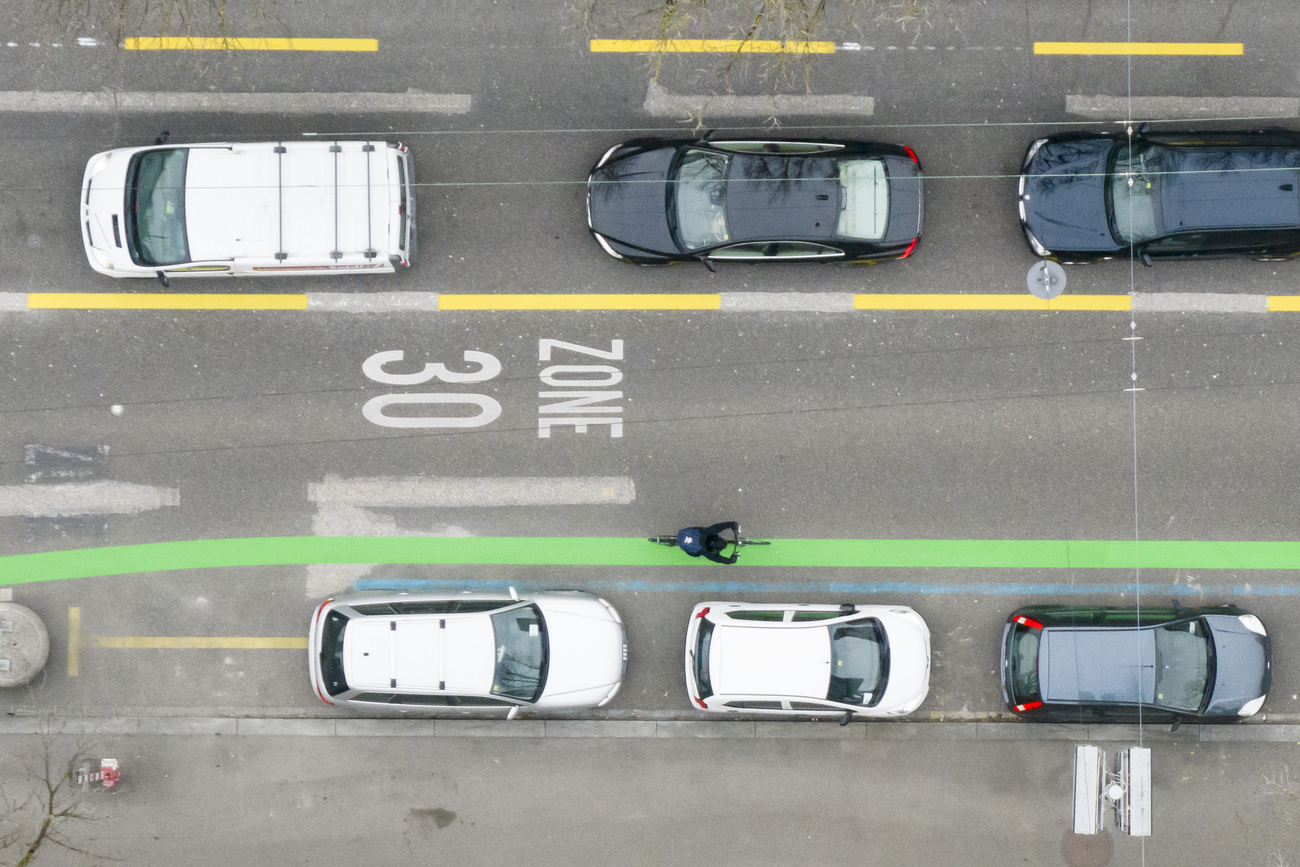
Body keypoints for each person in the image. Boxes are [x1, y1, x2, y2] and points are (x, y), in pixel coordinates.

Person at [675, 521, 741, 565]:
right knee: (697, 553)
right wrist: (730, 561)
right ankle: (699, 555)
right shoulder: (705, 552)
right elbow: (718, 559)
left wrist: (732, 524)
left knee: (708, 531)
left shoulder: (706, 533)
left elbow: (718, 526)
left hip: (684, 533)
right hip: (685, 542)